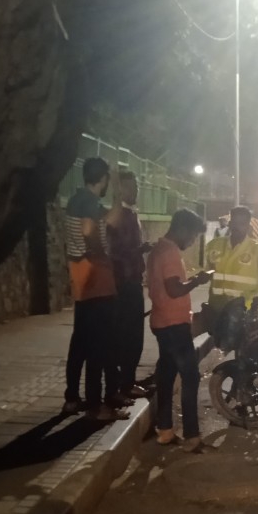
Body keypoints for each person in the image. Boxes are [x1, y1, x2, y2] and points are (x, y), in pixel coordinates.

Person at [63, 157, 127, 421]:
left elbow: (111, 221)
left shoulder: (78, 200)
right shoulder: (88, 203)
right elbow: (90, 231)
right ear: (102, 179)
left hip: (82, 281)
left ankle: (72, 398)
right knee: (98, 346)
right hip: (96, 281)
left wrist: (117, 197)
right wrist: (101, 256)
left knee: (80, 342)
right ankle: (95, 406)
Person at [147, 208, 213, 452]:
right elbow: (174, 289)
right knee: (191, 377)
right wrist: (198, 280)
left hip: (162, 322)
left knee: (166, 375)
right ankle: (192, 436)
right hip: (174, 325)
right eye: (193, 236)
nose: (193, 241)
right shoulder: (170, 252)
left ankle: (165, 430)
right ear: (183, 229)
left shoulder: (158, 249)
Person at [108, 170, 150, 401]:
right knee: (128, 337)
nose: (135, 191)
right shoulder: (122, 216)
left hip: (128, 280)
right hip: (125, 283)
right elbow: (118, 252)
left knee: (129, 337)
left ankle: (124, 384)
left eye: (136, 187)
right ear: (119, 190)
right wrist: (141, 250)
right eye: (130, 187)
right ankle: (122, 386)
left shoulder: (127, 214)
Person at [205, 205, 258, 314]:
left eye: (241, 224)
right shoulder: (214, 245)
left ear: (248, 227)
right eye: (234, 223)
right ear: (230, 224)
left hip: (245, 311)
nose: (237, 227)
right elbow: (204, 270)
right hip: (216, 309)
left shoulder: (256, 249)